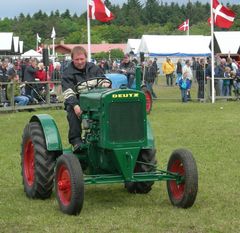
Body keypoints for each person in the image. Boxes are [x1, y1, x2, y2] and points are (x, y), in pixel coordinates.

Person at [61, 46, 104, 153]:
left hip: (95, 101)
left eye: (82, 59)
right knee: (73, 111)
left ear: (86, 58)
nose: (80, 62)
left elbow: (103, 81)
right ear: (72, 59)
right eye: (77, 60)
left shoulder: (94, 68)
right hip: (77, 101)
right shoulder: (67, 73)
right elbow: (68, 92)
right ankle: (76, 141)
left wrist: (104, 84)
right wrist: (75, 105)